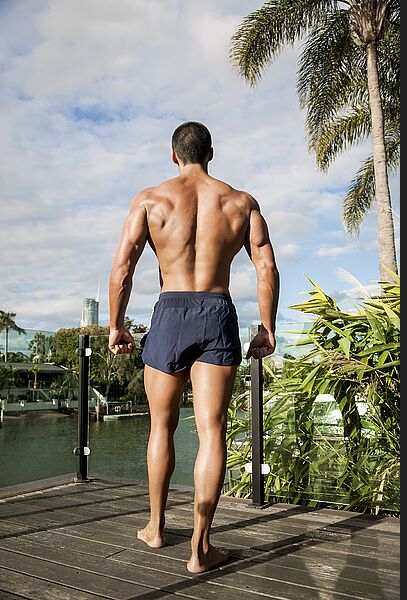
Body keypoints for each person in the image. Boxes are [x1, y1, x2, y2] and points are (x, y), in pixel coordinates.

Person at [108, 121, 280, 573]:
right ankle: (200, 549)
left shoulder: (150, 200)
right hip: (217, 311)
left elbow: (123, 267)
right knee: (213, 430)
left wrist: (116, 326)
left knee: (160, 426)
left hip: (169, 313)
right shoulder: (240, 203)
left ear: (173, 155)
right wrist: (267, 327)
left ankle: (155, 527)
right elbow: (265, 266)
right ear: (211, 153)